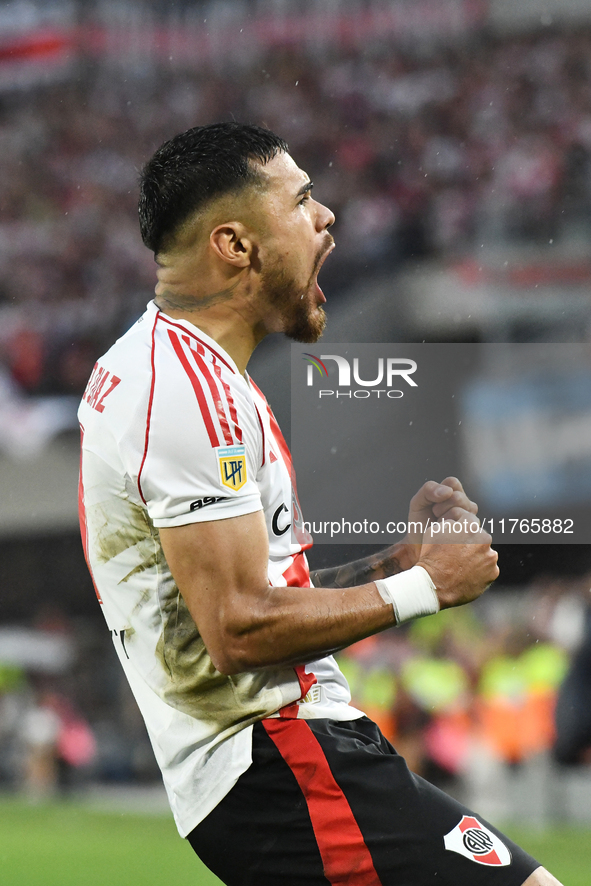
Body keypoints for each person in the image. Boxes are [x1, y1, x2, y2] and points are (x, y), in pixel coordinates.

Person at [78, 122, 562, 886]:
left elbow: (257, 601)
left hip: (278, 764)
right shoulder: (182, 393)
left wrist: (393, 563)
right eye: (301, 200)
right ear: (235, 245)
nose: (327, 216)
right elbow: (237, 628)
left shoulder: (174, 368)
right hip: (279, 761)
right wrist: (423, 587)